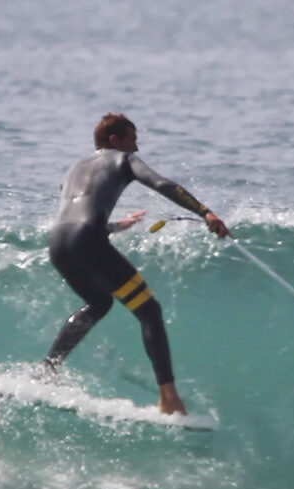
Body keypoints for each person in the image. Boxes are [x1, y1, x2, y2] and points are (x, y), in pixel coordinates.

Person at [43, 113, 230, 414]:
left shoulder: (75, 168)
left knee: (99, 303)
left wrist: (116, 226)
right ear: (114, 140)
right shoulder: (123, 160)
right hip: (87, 240)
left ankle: (47, 370)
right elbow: (162, 184)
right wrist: (205, 213)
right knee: (149, 310)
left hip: (59, 243)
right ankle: (168, 399)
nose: (137, 149)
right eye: (133, 140)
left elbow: (77, 215)